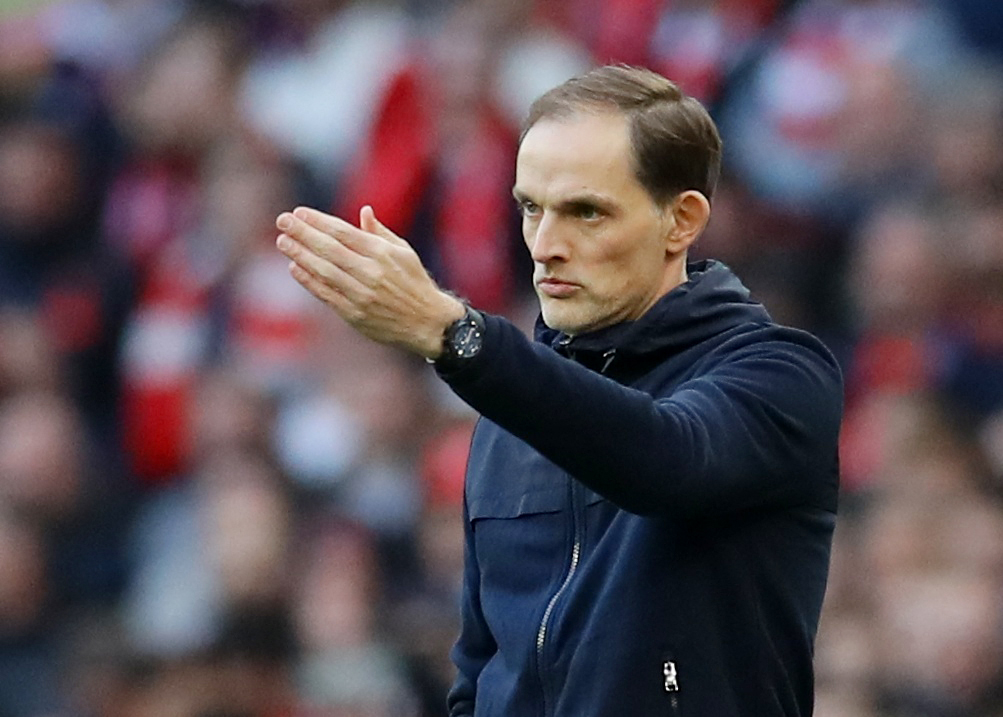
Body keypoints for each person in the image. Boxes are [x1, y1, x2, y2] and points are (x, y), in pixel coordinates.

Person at [275, 65, 843, 717]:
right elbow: (482, 668)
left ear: (680, 220)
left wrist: (454, 332)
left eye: (585, 211)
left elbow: (664, 460)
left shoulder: (780, 372)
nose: (544, 246)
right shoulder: (507, 413)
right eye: (530, 208)